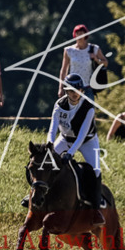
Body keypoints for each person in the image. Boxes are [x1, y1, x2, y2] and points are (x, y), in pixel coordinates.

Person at [40, 72, 104, 226]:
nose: (74, 94)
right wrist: (50, 143)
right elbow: (52, 128)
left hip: (87, 141)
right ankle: (37, 196)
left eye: (77, 90)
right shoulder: (59, 105)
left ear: (81, 90)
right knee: (45, 163)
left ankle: (95, 210)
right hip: (65, 138)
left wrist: (70, 153)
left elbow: (81, 136)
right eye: (70, 91)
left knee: (96, 170)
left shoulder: (88, 107)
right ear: (66, 91)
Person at [59, 24, 109, 99]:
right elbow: (64, 70)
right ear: (75, 35)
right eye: (77, 33)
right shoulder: (69, 50)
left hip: (87, 87)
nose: (79, 36)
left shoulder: (94, 48)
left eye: (81, 33)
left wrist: (96, 59)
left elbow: (105, 63)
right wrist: (61, 88)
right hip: (72, 88)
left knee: (88, 106)